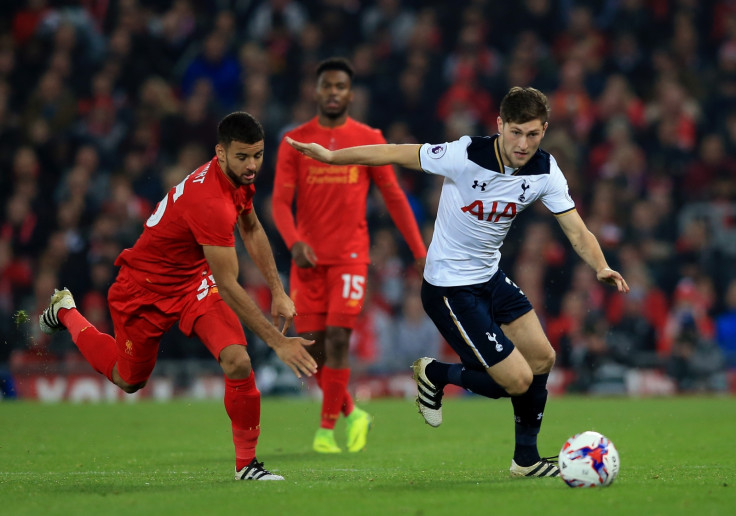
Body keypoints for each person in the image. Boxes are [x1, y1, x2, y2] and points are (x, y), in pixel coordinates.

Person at [286, 86, 629, 476]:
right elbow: (394, 152)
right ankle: (434, 373)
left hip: (490, 278)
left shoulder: (545, 171)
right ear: (500, 125)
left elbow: (578, 232)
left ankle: (525, 461)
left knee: (542, 358)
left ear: (544, 130)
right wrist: (332, 157)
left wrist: (600, 265)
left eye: (533, 134)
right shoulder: (465, 154)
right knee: (515, 381)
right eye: (515, 131)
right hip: (449, 288)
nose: (523, 143)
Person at [39, 112, 318, 481]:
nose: (252, 166)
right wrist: (278, 341)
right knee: (129, 380)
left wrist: (279, 292)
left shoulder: (237, 177)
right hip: (143, 290)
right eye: (243, 157)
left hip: (192, 283)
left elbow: (251, 227)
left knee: (237, 361)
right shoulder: (210, 203)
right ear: (220, 153)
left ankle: (246, 465)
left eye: (258, 155)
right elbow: (231, 286)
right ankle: (66, 311)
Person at [272, 57, 427, 453]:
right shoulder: (296, 141)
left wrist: (419, 251)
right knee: (313, 350)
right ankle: (354, 413)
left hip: (350, 258)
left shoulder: (368, 137)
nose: (334, 93)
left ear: (350, 94)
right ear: (317, 91)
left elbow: (393, 197)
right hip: (306, 261)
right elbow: (277, 204)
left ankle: (325, 432)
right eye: (328, 86)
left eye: (341, 86)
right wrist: (293, 243)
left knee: (339, 338)